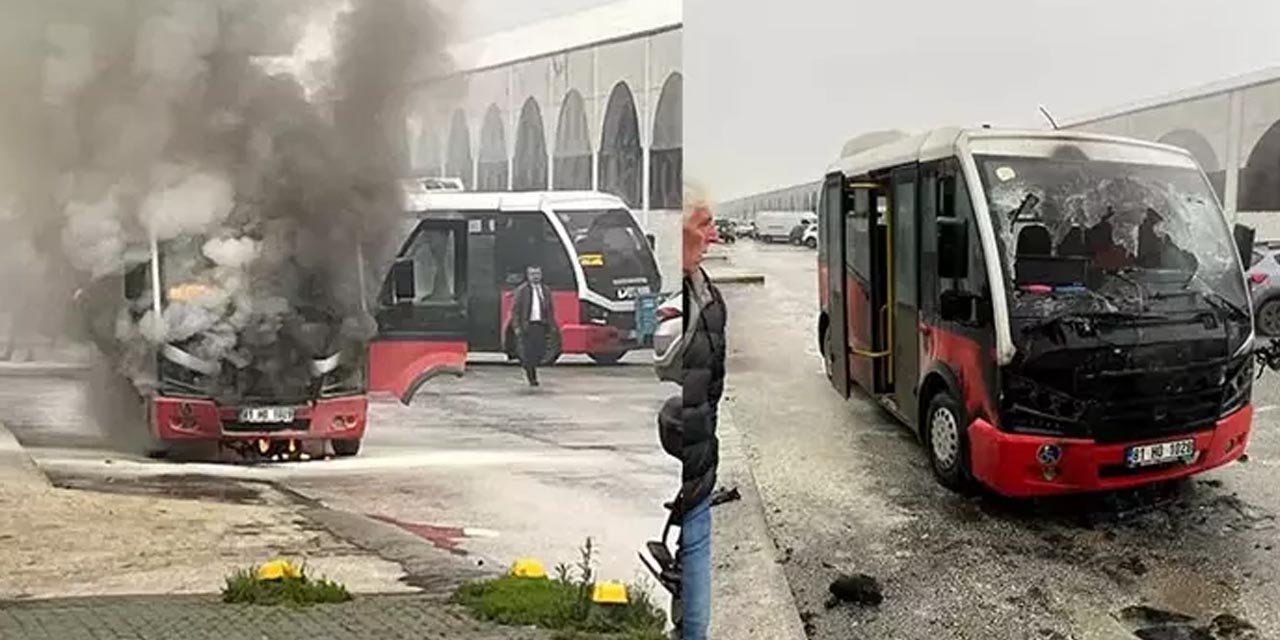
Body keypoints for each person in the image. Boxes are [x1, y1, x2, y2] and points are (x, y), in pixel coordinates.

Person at [679, 199, 726, 640]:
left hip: (697, 463)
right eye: (704, 224)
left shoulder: (707, 294)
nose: (714, 235)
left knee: (696, 617)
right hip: (679, 462)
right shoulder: (669, 296)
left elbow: (712, 388)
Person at [510, 265, 558, 387]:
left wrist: (552, 325)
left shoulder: (545, 290)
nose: (535, 276)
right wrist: (517, 327)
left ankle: (529, 366)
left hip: (541, 325)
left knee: (540, 351)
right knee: (529, 353)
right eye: (532, 274)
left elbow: (550, 309)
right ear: (528, 276)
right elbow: (515, 310)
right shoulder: (522, 290)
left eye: (537, 274)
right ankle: (532, 377)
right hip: (527, 326)